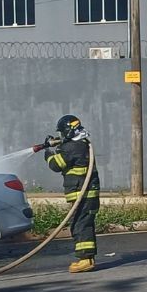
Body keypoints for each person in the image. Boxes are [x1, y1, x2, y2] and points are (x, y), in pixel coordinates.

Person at [44, 114, 100, 273]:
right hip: (85, 193)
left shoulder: (73, 147)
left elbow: (56, 165)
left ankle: (86, 260)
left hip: (82, 194)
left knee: (81, 225)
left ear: (68, 131)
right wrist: (57, 143)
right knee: (81, 223)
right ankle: (86, 258)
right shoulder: (80, 143)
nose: (62, 136)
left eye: (62, 133)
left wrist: (47, 153)